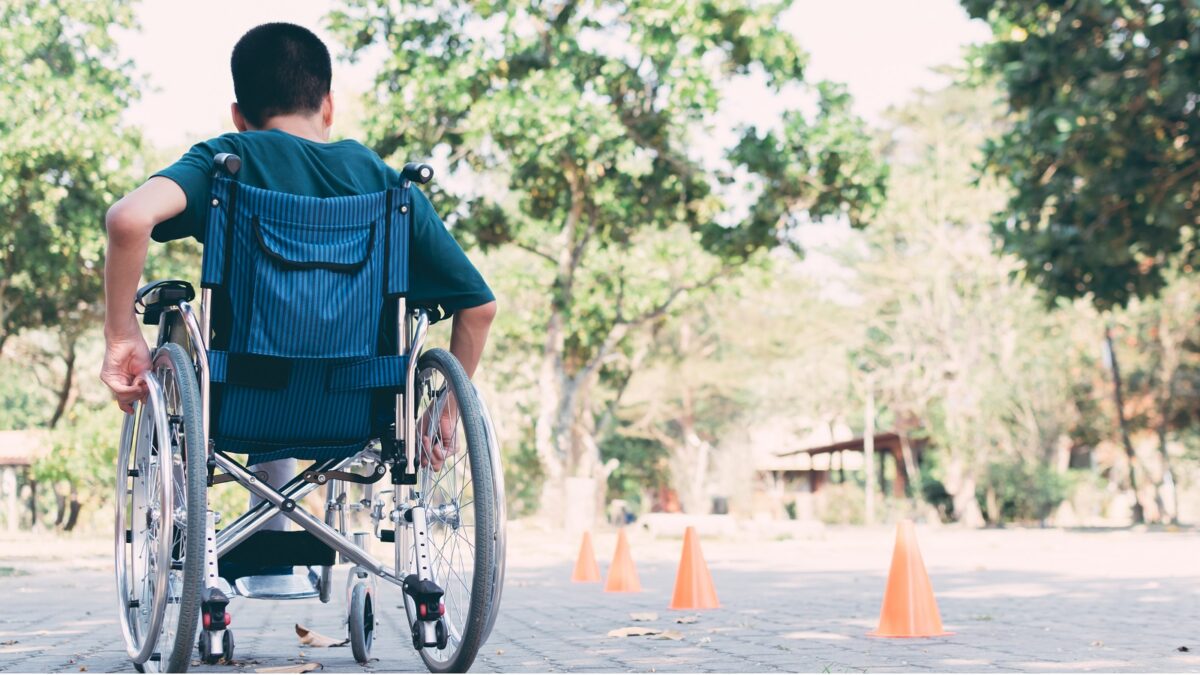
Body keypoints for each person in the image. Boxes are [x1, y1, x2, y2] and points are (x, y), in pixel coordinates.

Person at [99, 23, 497, 514]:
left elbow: (129, 218)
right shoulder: (383, 182)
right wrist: (444, 411)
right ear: (328, 105)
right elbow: (478, 307)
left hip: (238, 404)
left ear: (240, 116)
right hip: (361, 410)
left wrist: (121, 336)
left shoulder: (227, 160)